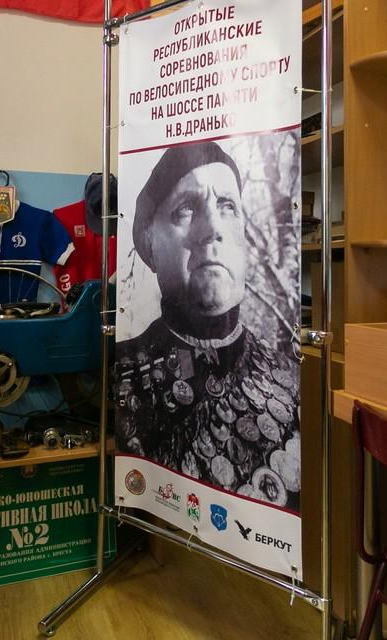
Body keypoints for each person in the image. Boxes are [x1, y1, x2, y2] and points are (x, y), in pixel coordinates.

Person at [115, 142, 300, 507]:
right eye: (186, 209)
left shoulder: (291, 380)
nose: (213, 228)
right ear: (150, 245)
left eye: (228, 206)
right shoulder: (120, 371)